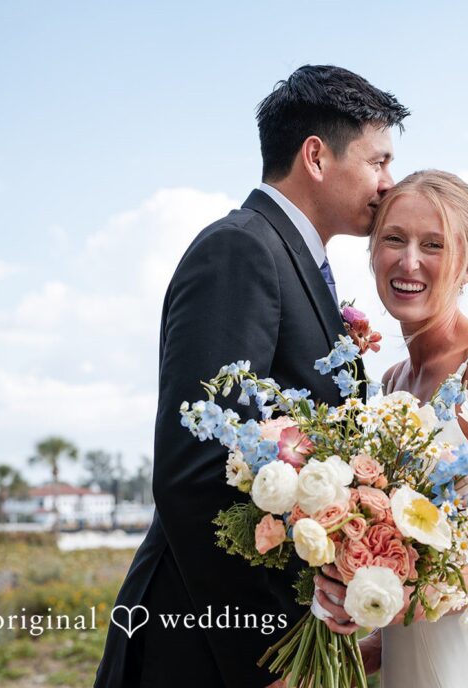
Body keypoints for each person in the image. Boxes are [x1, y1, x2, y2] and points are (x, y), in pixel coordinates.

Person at [94, 65, 408, 688]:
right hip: (200, 647)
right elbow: (195, 474)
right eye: (378, 162)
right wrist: (265, 654)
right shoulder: (241, 250)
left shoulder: (293, 260)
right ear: (316, 156)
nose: (387, 183)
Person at [313, 170, 468, 687]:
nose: (409, 262)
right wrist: (368, 634)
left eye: (433, 245)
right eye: (394, 239)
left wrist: (420, 597)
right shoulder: (390, 381)